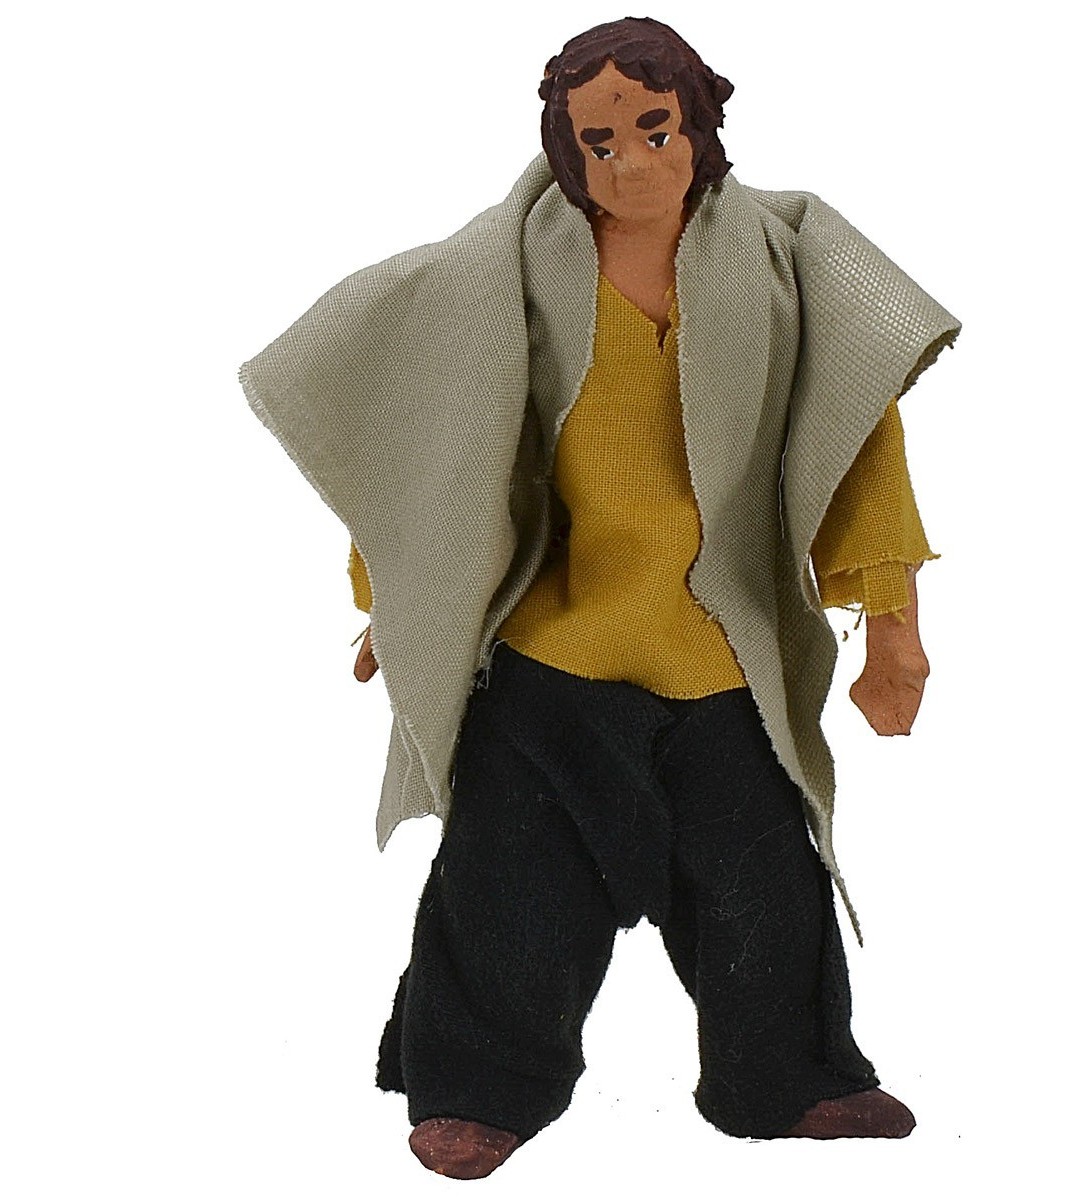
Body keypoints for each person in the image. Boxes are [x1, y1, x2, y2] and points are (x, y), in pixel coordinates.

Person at [241, 16, 959, 1181]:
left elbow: (858, 444)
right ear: (565, 149)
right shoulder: (508, 272)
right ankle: (476, 1089)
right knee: (508, 885)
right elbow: (430, 440)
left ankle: (789, 1076)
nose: (629, 163)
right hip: (555, 650)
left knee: (764, 891)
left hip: (723, 654)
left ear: (701, 122)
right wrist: (403, 599)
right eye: (600, 142)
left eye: (654, 130)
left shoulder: (785, 263)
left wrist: (894, 624)